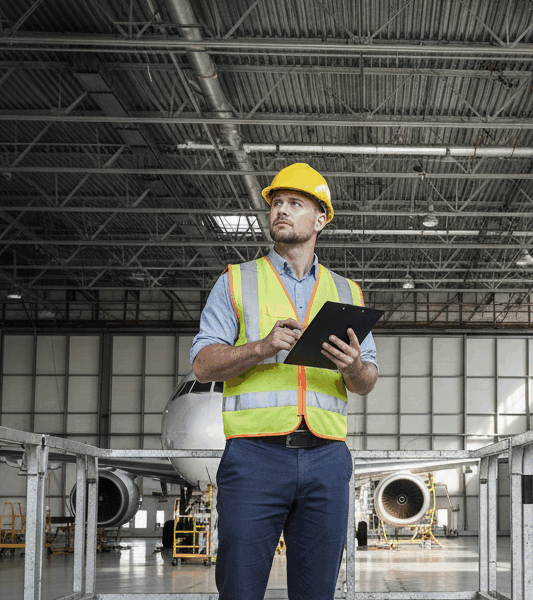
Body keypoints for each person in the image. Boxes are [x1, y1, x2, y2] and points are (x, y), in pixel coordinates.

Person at [191, 163, 379, 600]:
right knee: (239, 589)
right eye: (276, 202)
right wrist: (260, 347)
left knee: (317, 593)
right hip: (254, 457)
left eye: (295, 203)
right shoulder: (235, 281)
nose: (281, 210)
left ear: (320, 219)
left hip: (327, 458)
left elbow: (366, 380)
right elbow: (202, 365)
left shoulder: (347, 291)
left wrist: (352, 366)